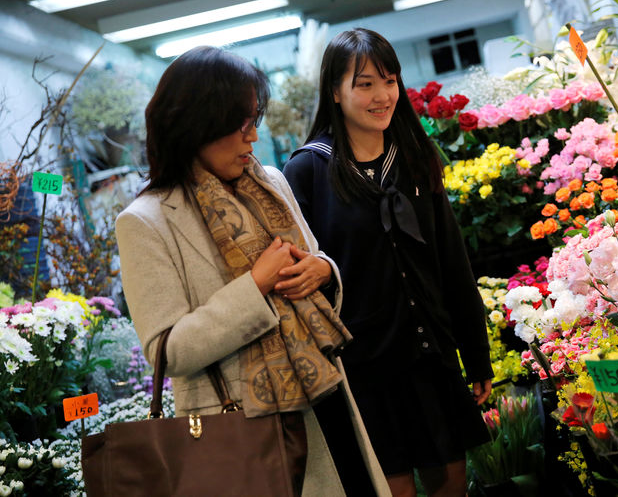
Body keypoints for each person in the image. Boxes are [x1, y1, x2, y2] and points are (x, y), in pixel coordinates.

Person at [115, 45, 390, 497]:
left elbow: (317, 262)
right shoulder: (146, 220)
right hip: (243, 426)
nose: (253, 138)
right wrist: (256, 286)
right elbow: (169, 349)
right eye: (241, 124)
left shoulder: (269, 182)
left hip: (327, 398)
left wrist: (321, 271)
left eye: (254, 119)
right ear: (197, 124)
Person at [282, 28, 493, 497]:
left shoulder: (415, 157)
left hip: (431, 355)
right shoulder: (307, 171)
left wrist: (475, 354)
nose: (382, 96)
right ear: (335, 92)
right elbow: (298, 275)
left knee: (452, 481)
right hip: (362, 369)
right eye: (365, 84)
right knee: (391, 489)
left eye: (390, 80)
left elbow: (451, 262)